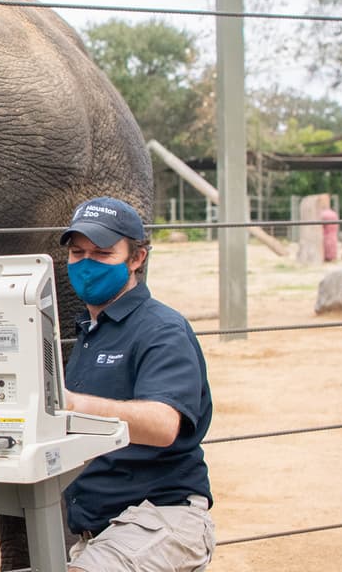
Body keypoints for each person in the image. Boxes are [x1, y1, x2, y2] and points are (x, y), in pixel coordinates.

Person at [58, 196, 215, 572]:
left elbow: (163, 425)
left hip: (161, 516)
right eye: (77, 253)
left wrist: (67, 404)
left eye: (101, 253)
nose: (86, 264)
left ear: (137, 259)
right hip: (97, 532)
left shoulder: (162, 329)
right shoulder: (89, 331)